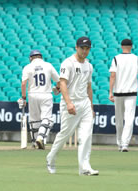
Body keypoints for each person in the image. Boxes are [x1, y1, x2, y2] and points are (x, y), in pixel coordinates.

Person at [46, 37, 99, 176]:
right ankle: (50, 159)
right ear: (76, 47)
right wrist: (69, 102)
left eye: (87, 48)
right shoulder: (68, 63)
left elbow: (89, 87)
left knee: (86, 135)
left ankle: (84, 168)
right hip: (70, 102)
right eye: (82, 48)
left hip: (85, 103)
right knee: (65, 134)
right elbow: (62, 83)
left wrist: (91, 107)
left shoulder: (89, 65)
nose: (85, 51)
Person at [109, 39, 138, 152]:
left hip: (118, 92)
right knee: (129, 119)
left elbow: (113, 76)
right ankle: (125, 144)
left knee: (119, 119)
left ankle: (120, 143)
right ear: (131, 46)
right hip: (131, 93)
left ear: (121, 46)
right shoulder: (137, 59)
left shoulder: (116, 58)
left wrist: (110, 92)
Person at [18, 50, 60, 150]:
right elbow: (59, 81)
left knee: (34, 120)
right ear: (40, 57)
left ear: (31, 58)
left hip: (32, 95)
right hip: (46, 94)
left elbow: (23, 84)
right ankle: (40, 138)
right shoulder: (48, 65)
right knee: (47, 118)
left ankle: (34, 142)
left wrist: (23, 98)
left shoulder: (27, 67)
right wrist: (57, 89)